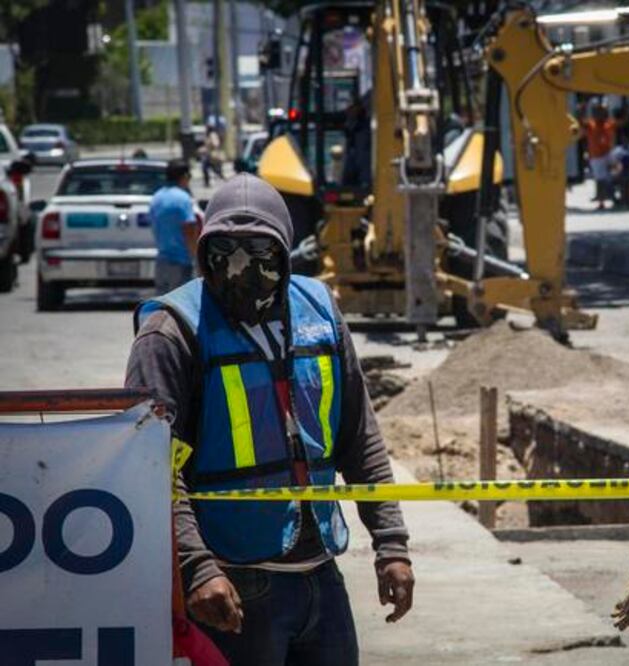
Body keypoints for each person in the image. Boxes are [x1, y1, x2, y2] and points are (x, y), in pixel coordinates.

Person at [127, 174, 414, 665]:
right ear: (205, 253)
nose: (243, 271)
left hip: (320, 576)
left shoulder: (319, 312)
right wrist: (198, 569)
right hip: (233, 584)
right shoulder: (170, 333)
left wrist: (391, 542)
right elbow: (150, 468)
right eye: (227, 254)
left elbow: (359, 437)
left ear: (284, 253)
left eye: (260, 255)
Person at [150, 159, 199, 294]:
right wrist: (196, 257)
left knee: (161, 307)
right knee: (181, 309)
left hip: (161, 262)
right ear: (184, 177)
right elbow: (188, 230)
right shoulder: (183, 198)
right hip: (181, 262)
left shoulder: (156, 197)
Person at [582, 102, 617, 210]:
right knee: (600, 180)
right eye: (598, 112)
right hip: (596, 157)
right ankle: (601, 201)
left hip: (608, 154)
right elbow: (581, 122)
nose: (600, 114)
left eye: (602, 111)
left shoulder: (609, 124)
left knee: (617, 171)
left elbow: (622, 123)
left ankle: (614, 196)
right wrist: (581, 110)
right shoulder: (590, 125)